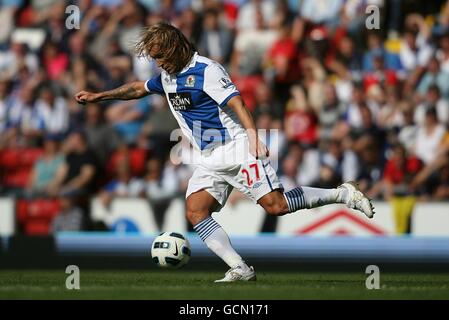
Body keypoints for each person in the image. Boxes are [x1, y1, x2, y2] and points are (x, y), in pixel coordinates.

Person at [75, 22, 374, 283]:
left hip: (237, 148)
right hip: (209, 158)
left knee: (277, 206)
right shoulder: (168, 76)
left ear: (174, 47)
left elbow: (237, 103)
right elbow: (138, 88)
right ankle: (240, 268)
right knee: (195, 211)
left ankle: (342, 194)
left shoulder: (206, 70)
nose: (157, 64)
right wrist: (101, 96)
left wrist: (254, 137)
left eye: (159, 57)